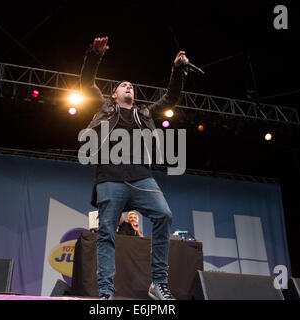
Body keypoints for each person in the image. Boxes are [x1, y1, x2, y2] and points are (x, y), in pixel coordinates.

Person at [79, 36, 188, 300]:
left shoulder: (145, 114)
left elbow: (170, 98)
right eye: (122, 85)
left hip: (140, 177)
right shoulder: (105, 108)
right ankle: (105, 291)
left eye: (131, 85)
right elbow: (86, 83)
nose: (128, 85)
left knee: (163, 214)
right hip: (110, 177)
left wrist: (178, 70)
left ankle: (158, 283)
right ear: (115, 94)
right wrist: (95, 54)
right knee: (107, 232)